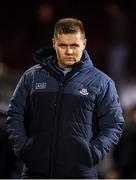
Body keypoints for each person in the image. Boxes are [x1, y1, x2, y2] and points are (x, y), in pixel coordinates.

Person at [6, 18, 124, 179]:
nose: (69, 51)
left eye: (74, 45)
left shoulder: (102, 82)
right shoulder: (32, 77)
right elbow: (15, 114)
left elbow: (114, 124)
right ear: (54, 43)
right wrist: (23, 149)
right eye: (63, 45)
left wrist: (92, 153)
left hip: (81, 174)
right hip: (35, 173)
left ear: (84, 43)